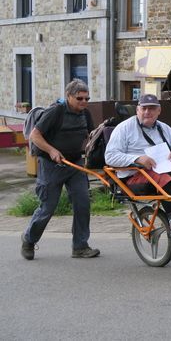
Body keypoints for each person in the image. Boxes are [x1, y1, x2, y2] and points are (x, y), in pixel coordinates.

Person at [104, 94, 171, 237]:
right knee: (161, 177)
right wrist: (137, 158)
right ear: (137, 110)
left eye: (151, 108)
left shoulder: (164, 128)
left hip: (163, 171)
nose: (147, 112)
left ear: (159, 111)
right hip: (133, 177)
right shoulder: (124, 128)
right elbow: (110, 156)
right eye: (144, 108)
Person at [21, 79, 100, 260]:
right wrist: (52, 150)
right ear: (68, 96)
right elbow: (35, 135)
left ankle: (80, 246)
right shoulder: (55, 111)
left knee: (82, 203)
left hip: (74, 164)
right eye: (79, 98)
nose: (84, 102)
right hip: (51, 165)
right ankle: (29, 240)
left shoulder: (85, 113)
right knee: (48, 207)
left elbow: (91, 134)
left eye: (87, 98)